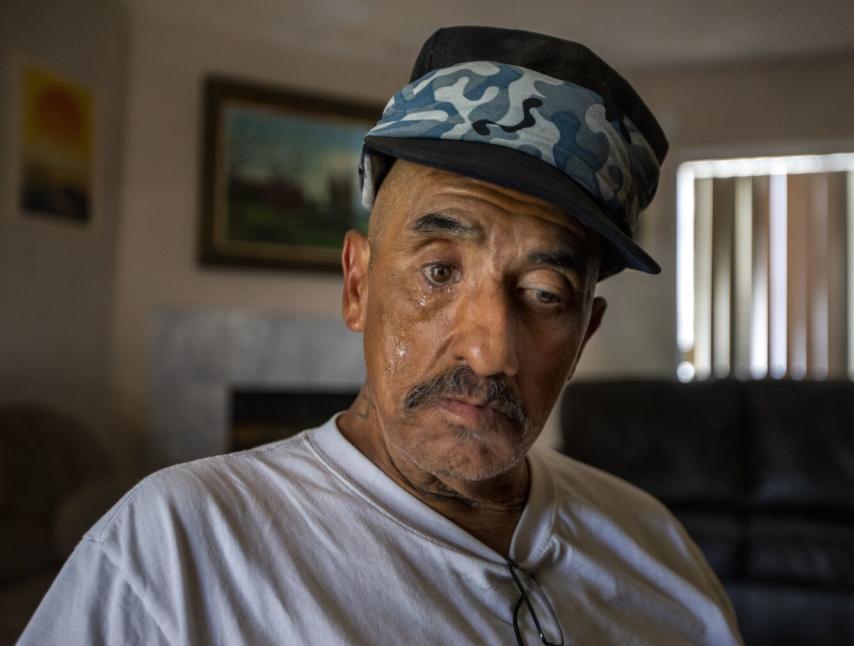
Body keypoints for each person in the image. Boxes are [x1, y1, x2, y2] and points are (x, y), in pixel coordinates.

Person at [19, 26, 742, 645]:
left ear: (585, 334)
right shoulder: (178, 548)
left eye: (545, 294)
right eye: (437, 273)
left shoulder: (654, 547)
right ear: (358, 284)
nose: (489, 351)